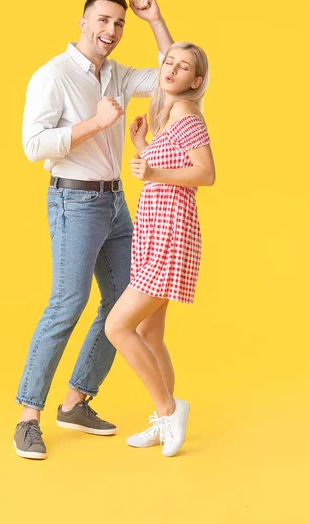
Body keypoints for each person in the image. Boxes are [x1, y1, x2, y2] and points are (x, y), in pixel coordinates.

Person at [13, 0, 174, 459]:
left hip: (115, 203)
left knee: (125, 307)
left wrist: (156, 22)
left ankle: (76, 401)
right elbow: (34, 145)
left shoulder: (118, 75)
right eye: (103, 20)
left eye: (119, 23)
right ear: (83, 21)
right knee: (68, 303)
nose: (111, 30)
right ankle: (27, 417)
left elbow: (173, 73)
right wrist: (97, 123)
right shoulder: (54, 75)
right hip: (75, 203)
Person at [105, 41, 216, 457]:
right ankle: (164, 420)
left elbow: (205, 174)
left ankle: (169, 409)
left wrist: (150, 166)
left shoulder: (187, 115)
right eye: (168, 62)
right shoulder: (168, 115)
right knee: (150, 332)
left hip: (170, 234)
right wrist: (141, 146)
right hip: (155, 232)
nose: (170, 69)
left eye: (182, 66)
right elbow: (167, 168)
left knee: (117, 327)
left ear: (195, 81)